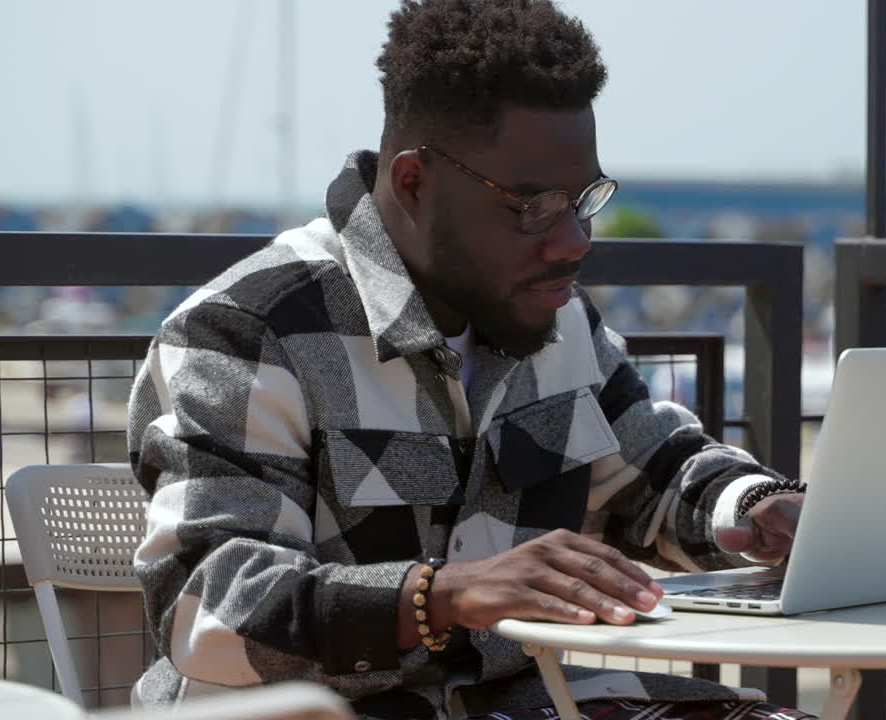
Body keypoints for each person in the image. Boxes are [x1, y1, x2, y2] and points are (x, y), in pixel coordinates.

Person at [126, 2, 808, 718]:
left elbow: (658, 471)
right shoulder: (248, 329)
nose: (573, 240)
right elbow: (208, 611)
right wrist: (444, 594)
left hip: (515, 702)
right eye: (533, 206)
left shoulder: (553, 317)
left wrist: (760, 507)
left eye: (582, 201)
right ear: (414, 181)